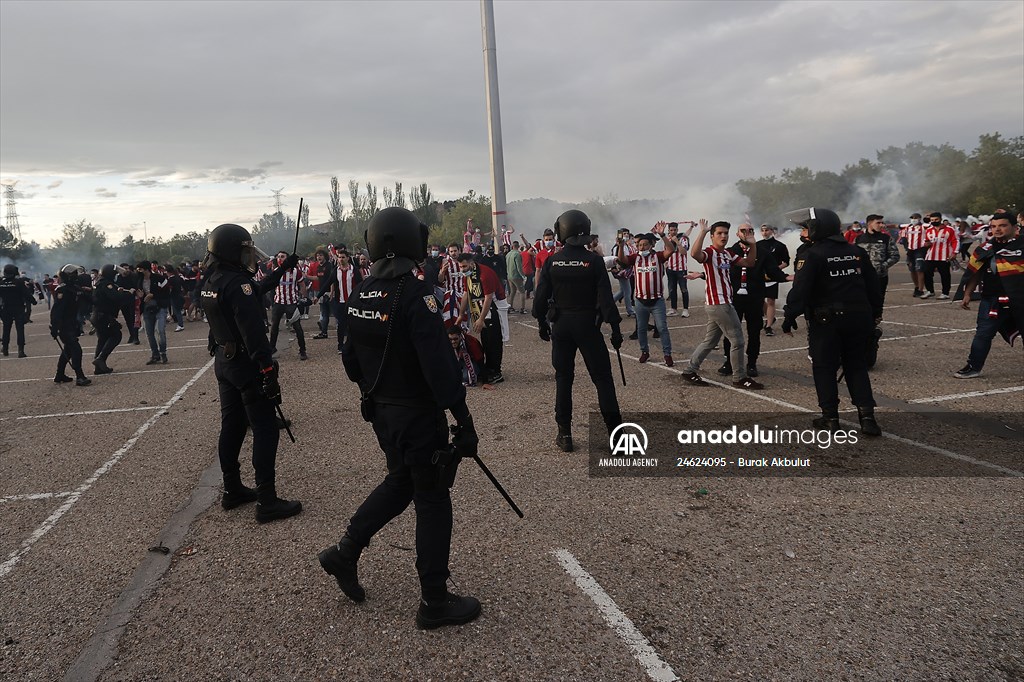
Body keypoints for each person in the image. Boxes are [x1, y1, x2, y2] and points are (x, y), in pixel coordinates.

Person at [318, 207, 481, 630]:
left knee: (400, 482)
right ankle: (434, 600)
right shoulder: (417, 294)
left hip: (383, 412)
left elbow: (351, 360)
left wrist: (375, 390)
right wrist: (463, 418)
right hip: (417, 414)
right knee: (432, 498)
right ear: (411, 243)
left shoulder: (361, 292)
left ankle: (346, 551)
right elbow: (439, 367)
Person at [200, 223, 302, 523]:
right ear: (233, 250)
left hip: (224, 361)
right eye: (245, 250)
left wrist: (283, 268)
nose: (249, 257)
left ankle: (232, 490)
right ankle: (267, 501)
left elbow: (259, 287)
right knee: (265, 428)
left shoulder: (214, 279)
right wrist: (267, 368)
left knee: (231, 426)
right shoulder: (237, 284)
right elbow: (254, 332)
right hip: (246, 365)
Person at [781, 207, 882, 435]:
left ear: (818, 228)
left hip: (828, 320)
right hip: (859, 318)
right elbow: (873, 287)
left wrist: (789, 315)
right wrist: (876, 313)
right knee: (856, 365)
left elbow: (801, 290)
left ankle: (831, 419)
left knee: (824, 367)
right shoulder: (856, 251)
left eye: (807, 227)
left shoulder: (812, 254)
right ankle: (867, 418)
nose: (804, 232)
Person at [533, 209, 623, 451]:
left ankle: (564, 434)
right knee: (603, 379)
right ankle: (616, 435)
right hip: (587, 325)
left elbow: (540, 297)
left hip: (561, 325)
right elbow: (606, 299)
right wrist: (615, 328)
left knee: (563, 379)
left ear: (562, 231)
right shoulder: (593, 261)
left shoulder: (553, 261)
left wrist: (541, 322)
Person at [681, 220, 763, 389]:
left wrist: (753, 245)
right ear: (712, 236)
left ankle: (690, 370)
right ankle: (739, 377)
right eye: (719, 233)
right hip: (719, 304)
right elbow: (695, 254)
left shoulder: (727, 254)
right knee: (738, 340)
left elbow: (749, 263)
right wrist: (702, 232)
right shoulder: (710, 253)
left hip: (721, 303)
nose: (723, 236)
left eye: (726, 233)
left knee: (710, 341)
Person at [953, 212, 1023, 378]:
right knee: (983, 334)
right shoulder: (985, 248)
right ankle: (973, 367)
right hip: (992, 300)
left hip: (1021, 299)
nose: (997, 229)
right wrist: (967, 294)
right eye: (993, 226)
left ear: (1015, 227)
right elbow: (974, 273)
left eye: (1002, 225)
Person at [718, 224, 789, 378]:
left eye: (750, 230)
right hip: (734, 298)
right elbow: (719, 270)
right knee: (730, 332)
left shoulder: (762, 252)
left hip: (755, 298)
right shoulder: (730, 252)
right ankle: (729, 362)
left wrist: (788, 277)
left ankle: (751, 363)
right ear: (737, 234)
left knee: (754, 331)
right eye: (743, 231)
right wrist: (702, 275)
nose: (747, 233)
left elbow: (774, 272)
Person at [615, 224, 674, 365]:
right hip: (641, 300)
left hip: (657, 300)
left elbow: (671, 250)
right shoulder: (635, 258)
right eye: (639, 245)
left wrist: (663, 235)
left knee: (662, 328)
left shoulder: (658, 257)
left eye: (645, 245)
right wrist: (621, 246)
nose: (642, 248)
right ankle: (644, 351)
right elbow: (622, 260)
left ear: (651, 246)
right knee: (641, 329)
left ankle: (667, 354)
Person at [456, 253, 504, 383]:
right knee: (486, 340)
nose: (462, 269)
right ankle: (488, 368)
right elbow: (466, 294)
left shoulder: (484, 274)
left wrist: (481, 319)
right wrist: (461, 314)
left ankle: (496, 371)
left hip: (493, 308)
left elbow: (489, 298)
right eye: (460, 267)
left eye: (464, 266)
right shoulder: (469, 275)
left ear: (471, 263)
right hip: (479, 308)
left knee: (493, 341)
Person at [49, 264, 92, 386]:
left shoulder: (74, 288)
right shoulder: (62, 290)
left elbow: (90, 298)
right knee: (76, 349)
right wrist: (55, 327)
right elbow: (57, 311)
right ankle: (80, 376)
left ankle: (59, 374)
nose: (76, 276)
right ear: (66, 276)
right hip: (64, 325)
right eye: (73, 274)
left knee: (68, 350)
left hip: (73, 323)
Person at [91, 264, 136, 374]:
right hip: (104, 316)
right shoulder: (106, 284)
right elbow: (115, 297)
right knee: (116, 335)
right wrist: (129, 294)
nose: (116, 276)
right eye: (115, 274)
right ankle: (100, 359)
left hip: (98, 315)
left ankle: (99, 366)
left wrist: (119, 291)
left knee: (102, 340)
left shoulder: (101, 283)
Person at [268, 250, 309, 361]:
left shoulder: (296, 272)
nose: (280, 259)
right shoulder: (276, 271)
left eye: (283, 257)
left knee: (297, 327)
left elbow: (302, 285)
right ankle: (272, 348)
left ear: (287, 259)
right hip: (278, 303)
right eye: (279, 257)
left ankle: (302, 350)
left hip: (291, 303)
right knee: (274, 327)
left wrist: (304, 298)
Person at [855, 214, 900, 306]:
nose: (881, 225)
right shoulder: (859, 239)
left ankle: (876, 319)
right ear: (869, 224)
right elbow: (854, 255)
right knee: (862, 302)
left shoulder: (886, 238)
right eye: (878, 223)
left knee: (877, 303)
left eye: (882, 223)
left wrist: (883, 266)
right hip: (863, 277)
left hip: (879, 277)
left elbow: (895, 256)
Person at [758, 224, 790, 336]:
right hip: (759, 277)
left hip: (773, 277)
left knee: (771, 301)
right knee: (759, 300)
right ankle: (771, 317)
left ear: (772, 231)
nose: (764, 232)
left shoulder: (780, 245)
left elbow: (786, 262)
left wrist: (774, 270)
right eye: (762, 230)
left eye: (767, 230)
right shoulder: (757, 245)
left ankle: (768, 326)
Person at [136, 261, 170, 365]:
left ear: (146, 269)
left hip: (160, 307)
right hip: (147, 309)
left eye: (140, 269)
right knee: (149, 333)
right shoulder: (139, 280)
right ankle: (155, 355)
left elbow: (167, 292)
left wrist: (153, 295)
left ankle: (163, 353)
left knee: (160, 330)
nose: (138, 271)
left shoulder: (159, 278)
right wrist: (140, 295)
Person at [922, 212, 959, 299]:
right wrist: (926, 244)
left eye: (936, 220)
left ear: (940, 219)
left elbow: (955, 241)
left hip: (944, 256)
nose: (934, 221)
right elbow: (926, 241)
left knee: (945, 275)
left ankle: (945, 293)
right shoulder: (928, 230)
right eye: (932, 220)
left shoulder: (949, 229)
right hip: (930, 255)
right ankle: (930, 291)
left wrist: (954, 252)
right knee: (927, 273)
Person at [1, 264, 35, 357]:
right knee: (20, 329)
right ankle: (21, 351)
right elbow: (26, 294)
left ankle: (5, 348)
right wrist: (33, 301)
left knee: (6, 329)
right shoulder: (18, 282)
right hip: (18, 308)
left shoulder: (1, 282)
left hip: (5, 308)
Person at [664, 221, 695, 317]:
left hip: (681, 269)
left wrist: (677, 242)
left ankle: (685, 310)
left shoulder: (683, 239)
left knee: (684, 289)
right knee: (672, 290)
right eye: (671, 230)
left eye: (674, 230)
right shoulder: (667, 239)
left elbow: (684, 252)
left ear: (677, 230)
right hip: (670, 268)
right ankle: (674, 309)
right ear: (668, 231)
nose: (673, 232)